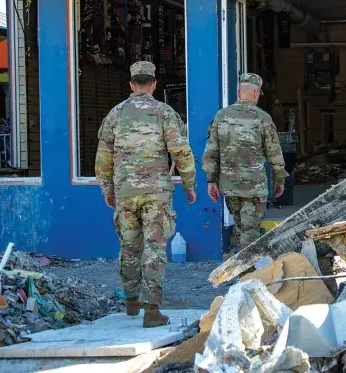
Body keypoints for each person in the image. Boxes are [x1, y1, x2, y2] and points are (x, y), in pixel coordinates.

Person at [95, 61, 197, 328]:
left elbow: (103, 158)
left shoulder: (115, 115)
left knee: (129, 247)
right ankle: (151, 308)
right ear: (153, 84)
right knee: (154, 247)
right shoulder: (164, 112)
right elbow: (181, 152)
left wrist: (107, 189)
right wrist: (189, 185)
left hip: (125, 192)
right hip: (156, 193)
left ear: (131, 84)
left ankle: (131, 301)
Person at [202, 73, 286, 253]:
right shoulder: (262, 118)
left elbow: (211, 151)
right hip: (253, 187)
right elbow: (274, 152)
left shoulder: (221, 116)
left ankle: (241, 269)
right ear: (255, 93)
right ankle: (246, 272)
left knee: (241, 227)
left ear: (239, 92)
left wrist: (211, 180)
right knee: (250, 232)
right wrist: (280, 179)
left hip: (230, 186)